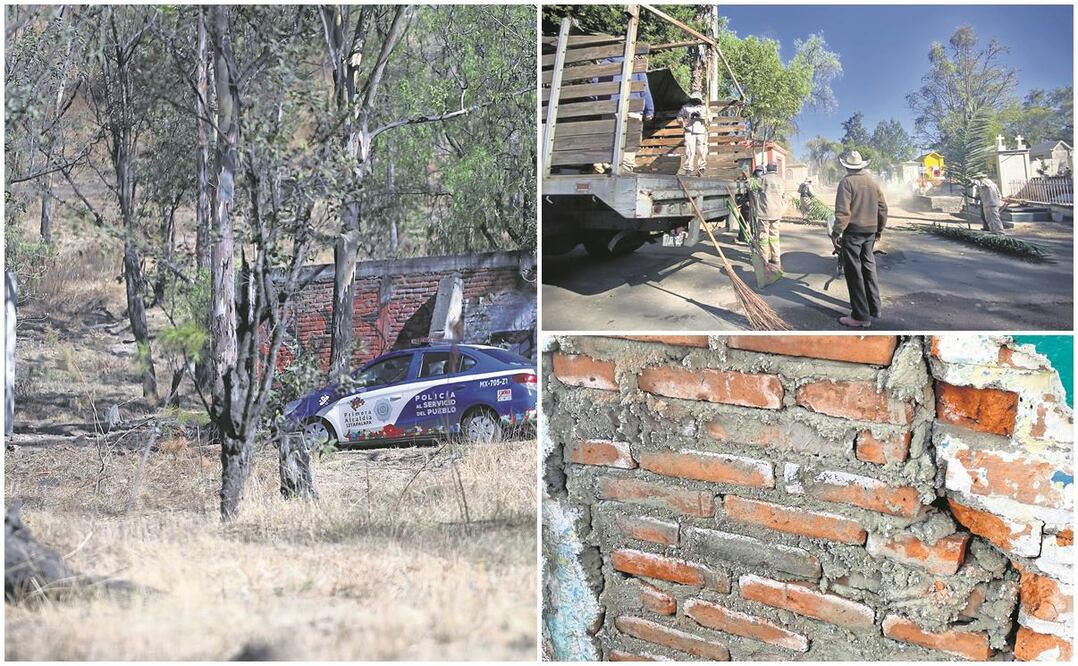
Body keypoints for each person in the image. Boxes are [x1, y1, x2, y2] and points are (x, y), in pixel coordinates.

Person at [831, 150, 887, 328]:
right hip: (870, 232)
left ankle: (860, 316)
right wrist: (879, 230)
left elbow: (843, 212)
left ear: (847, 166)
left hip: (853, 232)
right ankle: (874, 308)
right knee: (869, 267)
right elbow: (883, 208)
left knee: (854, 272)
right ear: (861, 165)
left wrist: (836, 232)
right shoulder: (872, 182)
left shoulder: (846, 182)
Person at [592, 55, 654, 174]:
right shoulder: (635, 64)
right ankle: (624, 171)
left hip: (609, 110)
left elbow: (594, 88)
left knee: (609, 141)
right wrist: (650, 110)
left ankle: (602, 164)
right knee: (628, 146)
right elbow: (644, 89)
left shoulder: (603, 64)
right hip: (632, 110)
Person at [755, 162, 786, 283]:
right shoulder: (780, 180)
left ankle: (764, 260)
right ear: (776, 169)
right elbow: (783, 195)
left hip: (765, 213)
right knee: (774, 236)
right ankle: (776, 259)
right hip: (777, 213)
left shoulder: (762, 179)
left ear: (767, 169)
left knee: (763, 236)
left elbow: (751, 186)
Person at [677, 91, 709, 176]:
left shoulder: (704, 107)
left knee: (702, 151)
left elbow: (710, 117)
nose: (695, 100)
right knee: (689, 151)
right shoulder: (685, 107)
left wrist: (701, 115)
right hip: (689, 131)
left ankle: (701, 169)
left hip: (701, 131)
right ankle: (688, 169)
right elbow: (679, 116)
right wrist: (681, 121)